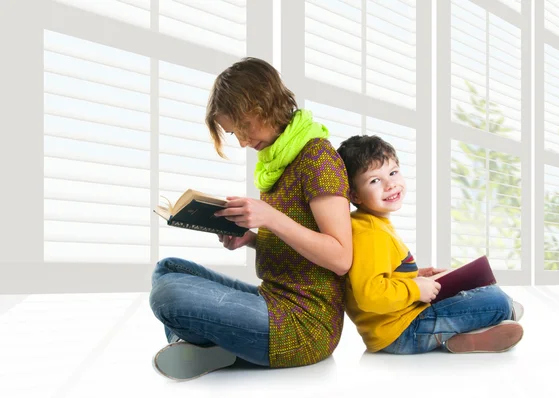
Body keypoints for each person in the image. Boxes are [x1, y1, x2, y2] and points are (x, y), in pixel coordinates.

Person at [149, 57, 353, 380]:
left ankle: (207, 347)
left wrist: (270, 218)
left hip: (304, 324)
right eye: (235, 134)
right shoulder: (276, 159)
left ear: (261, 105)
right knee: (167, 269)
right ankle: (215, 349)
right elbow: (295, 245)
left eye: (242, 129)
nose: (242, 142)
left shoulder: (318, 158)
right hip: (272, 298)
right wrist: (252, 240)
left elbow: (341, 257)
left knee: (167, 296)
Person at [336, 135, 524, 355]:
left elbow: (382, 275)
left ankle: (465, 338)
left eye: (393, 172)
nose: (390, 184)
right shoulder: (370, 233)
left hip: (400, 324)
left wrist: (416, 276)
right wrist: (415, 288)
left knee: (479, 288)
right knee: (497, 301)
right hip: (402, 332)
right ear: (354, 195)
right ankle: (488, 318)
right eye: (374, 181)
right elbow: (369, 295)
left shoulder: (372, 224)